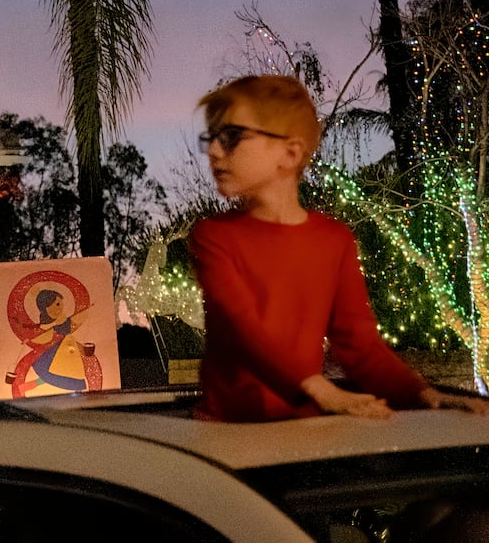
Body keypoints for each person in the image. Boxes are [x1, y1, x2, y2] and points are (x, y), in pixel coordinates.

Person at [189, 74, 488, 422]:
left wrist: (425, 395)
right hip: (226, 438)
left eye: (231, 137)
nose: (213, 150)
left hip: (305, 432)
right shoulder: (214, 237)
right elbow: (246, 328)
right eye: (210, 138)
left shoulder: (333, 239)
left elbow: (359, 346)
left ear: (290, 152)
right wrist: (321, 390)